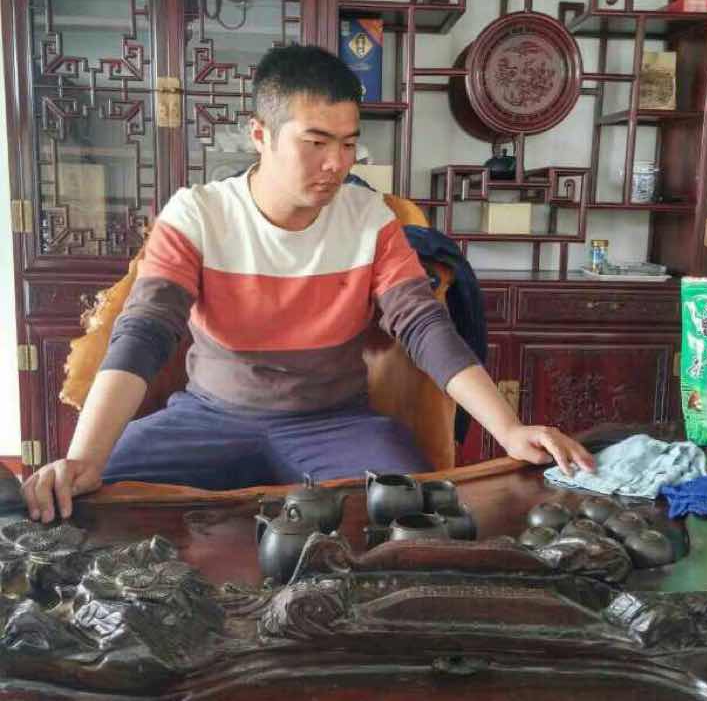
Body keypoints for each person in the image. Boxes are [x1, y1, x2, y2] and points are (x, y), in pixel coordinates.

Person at [22, 45, 595, 523]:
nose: (337, 163)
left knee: (416, 515)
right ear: (260, 134)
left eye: (348, 143)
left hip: (334, 423)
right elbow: (145, 332)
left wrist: (509, 429)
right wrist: (84, 457)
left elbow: (426, 328)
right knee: (94, 504)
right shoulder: (197, 214)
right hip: (209, 418)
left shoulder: (369, 221)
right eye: (316, 142)